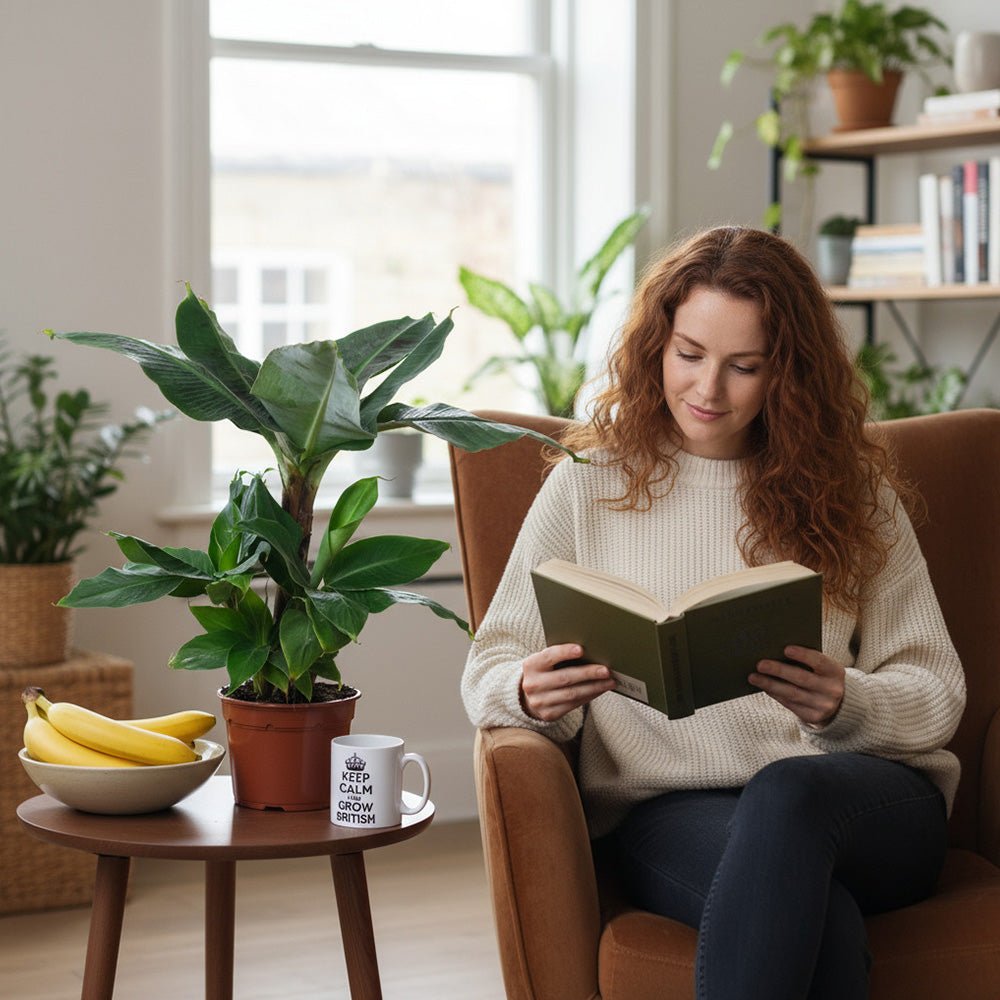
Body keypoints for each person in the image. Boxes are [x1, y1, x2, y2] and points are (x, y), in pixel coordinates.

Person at [460, 225, 965, 1000]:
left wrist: (848, 701)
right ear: (657, 343)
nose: (707, 390)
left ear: (787, 373)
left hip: (865, 800)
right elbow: (488, 667)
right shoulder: (587, 485)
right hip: (671, 812)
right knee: (820, 926)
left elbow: (938, 689)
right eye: (689, 354)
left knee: (788, 793)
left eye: (744, 367)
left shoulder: (854, 494)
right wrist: (530, 693)